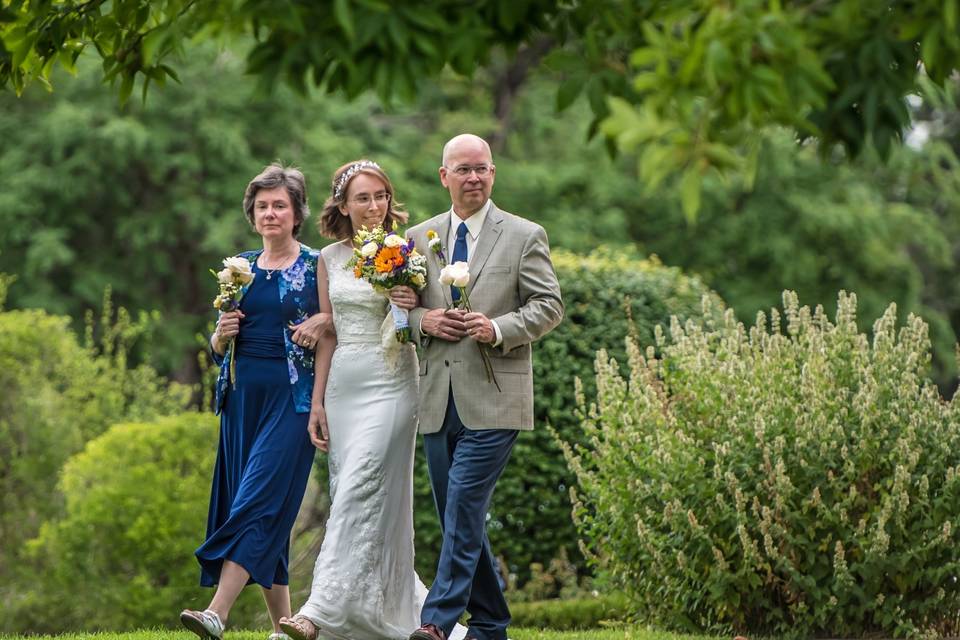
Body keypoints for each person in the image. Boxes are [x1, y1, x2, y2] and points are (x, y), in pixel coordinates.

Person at [277, 161, 466, 640]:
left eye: (381, 196)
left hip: (393, 380)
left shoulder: (407, 250)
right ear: (343, 205)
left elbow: (425, 317)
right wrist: (317, 402)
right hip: (345, 385)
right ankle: (372, 607)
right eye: (363, 198)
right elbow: (327, 333)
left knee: (362, 483)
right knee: (352, 492)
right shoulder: (328, 258)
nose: (374, 206)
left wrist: (409, 305)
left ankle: (316, 613)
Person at [405, 134, 564, 640]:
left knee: (464, 506)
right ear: (443, 176)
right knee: (459, 514)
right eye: (463, 169)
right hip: (435, 399)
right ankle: (491, 624)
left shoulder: (524, 234)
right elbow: (399, 311)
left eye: (482, 169)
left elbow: (548, 306)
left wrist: (496, 328)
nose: (474, 178)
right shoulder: (416, 237)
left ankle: (436, 620)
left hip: (497, 397)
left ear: (493, 173)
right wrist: (423, 321)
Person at [180, 163, 333, 640]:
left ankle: (217, 613)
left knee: (256, 501)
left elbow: (331, 333)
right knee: (267, 509)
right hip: (241, 401)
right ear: (252, 214)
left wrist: (321, 401)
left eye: (280, 205)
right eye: (262, 206)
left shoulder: (315, 264)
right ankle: (281, 627)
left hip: (293, 402)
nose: (271, 213)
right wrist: (219, 337)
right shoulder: (238, 268)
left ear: (296, 212)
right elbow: (219, 344)